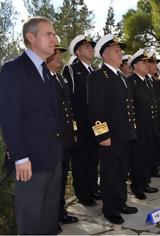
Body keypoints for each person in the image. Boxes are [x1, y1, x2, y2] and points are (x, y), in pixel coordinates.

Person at [0, 16, 62, 234]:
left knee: (48, 218)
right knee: (31, 220)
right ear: (31, 37)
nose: (54, 38)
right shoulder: (13, 69)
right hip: (30, 162)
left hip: (52, 157)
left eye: (54, 34)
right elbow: (8, 117)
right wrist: (20, 157)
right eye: (49, 34)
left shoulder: (45, 71)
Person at [87, 34, 138, 224]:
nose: (121, 54)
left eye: (120, 51)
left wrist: (132, 129)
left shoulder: (121, 77)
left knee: (122, 170)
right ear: (105, 55)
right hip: (110, 136)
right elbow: (95, 108)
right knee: (109, 173)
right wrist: (103, 135)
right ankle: (110, 209)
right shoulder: (98, 76)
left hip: (124, 135)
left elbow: (127, 107)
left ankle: (121, 202)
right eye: (117, 51)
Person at [62, 34, 100, 206]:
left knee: (94, 158)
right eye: (87, 47)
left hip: (96, 124)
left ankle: (93, 188)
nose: (91, 49)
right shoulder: (71, 70)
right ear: (77, 52)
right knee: (80, 159)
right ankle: (83, 193)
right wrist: (73, 127)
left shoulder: (95, 72)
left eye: (92, 47)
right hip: (81, 125)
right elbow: (67, 101)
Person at [46, 39, 79, 227]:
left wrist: (73, 132)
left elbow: (69, 110)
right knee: (52, 183)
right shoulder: (44, 79)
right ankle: (51, 217)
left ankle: (60, 212)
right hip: (53, 141)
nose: (60, 56)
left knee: (61, 178)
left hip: (65, 138)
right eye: (56, 53)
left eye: (60, 54)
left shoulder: (60, 78)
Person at [127, 49, 159, 200]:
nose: (147, 65)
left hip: (149, 126)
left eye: (147, 62)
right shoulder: (131, 82)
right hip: (138, 127)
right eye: (144, 62)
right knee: (138, 158)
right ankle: (137, 186)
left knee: (147, 156)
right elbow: (129, 107)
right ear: (135, 65)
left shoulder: (148, 81)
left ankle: (145, 182)